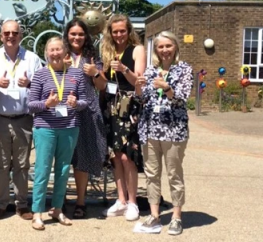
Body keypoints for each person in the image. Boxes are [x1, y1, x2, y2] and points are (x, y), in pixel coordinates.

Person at [135, 31, 193, 235]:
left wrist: (167, 88)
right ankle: (154, 214)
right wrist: (139, 89)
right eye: (160, 47)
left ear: (175, 47)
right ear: (156, 50)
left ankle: (176, 216)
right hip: (150, 129)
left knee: (174, 174)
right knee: (152, 174)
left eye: (168, 46)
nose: (164, 50)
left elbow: (183, 98)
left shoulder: (184, 69)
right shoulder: (151, 71)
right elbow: (143, 101)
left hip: (174, 131)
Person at [27, 36, 88, 231]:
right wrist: (46, 104)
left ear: (65, 52)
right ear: (46, 53)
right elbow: (30, 105)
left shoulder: (76, 74)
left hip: (70, 127)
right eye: (51, 50)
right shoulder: (40, 75)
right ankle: (37, 212)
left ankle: (57, 208)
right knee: (42, 170)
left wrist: (75, 103)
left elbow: (85, 101)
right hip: (46, 128)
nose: (55, 53)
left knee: (62, 171)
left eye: (58, 49)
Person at [0, 20, 42, 221]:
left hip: (23, 119)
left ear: (21, 35)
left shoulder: (32, 59)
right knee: (0, 165)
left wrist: (31, 83)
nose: (11, 36)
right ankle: (0, 203)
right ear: (1, 36)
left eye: (14, 32)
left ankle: (22, 204)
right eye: (6, 33)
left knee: (22, 165)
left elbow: (42, 88)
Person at [101, 14, 146, 221]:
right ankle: (121, 200)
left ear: (129, 31)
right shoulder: (108, 51)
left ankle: (133, 202)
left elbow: (140, 81)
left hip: (129, 106)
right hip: (111, 106)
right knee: (115, 155)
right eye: (115, 31)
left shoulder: (137, 50)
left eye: (122, 31)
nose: (119, 35)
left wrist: (124, 69)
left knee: (129, 156)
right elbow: (103, 81)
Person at [62, 20, 107, 219]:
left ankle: (80, 202)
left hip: (87, 112)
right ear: (67, 35)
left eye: (80, 34)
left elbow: (102, 86)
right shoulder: (60, 54)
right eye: (73, 34)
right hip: (62, 112)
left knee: (82, 159)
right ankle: (59, 199)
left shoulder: (91, 57)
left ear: (86, 36)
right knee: (62, 158)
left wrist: (95, 73)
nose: (76, 37)